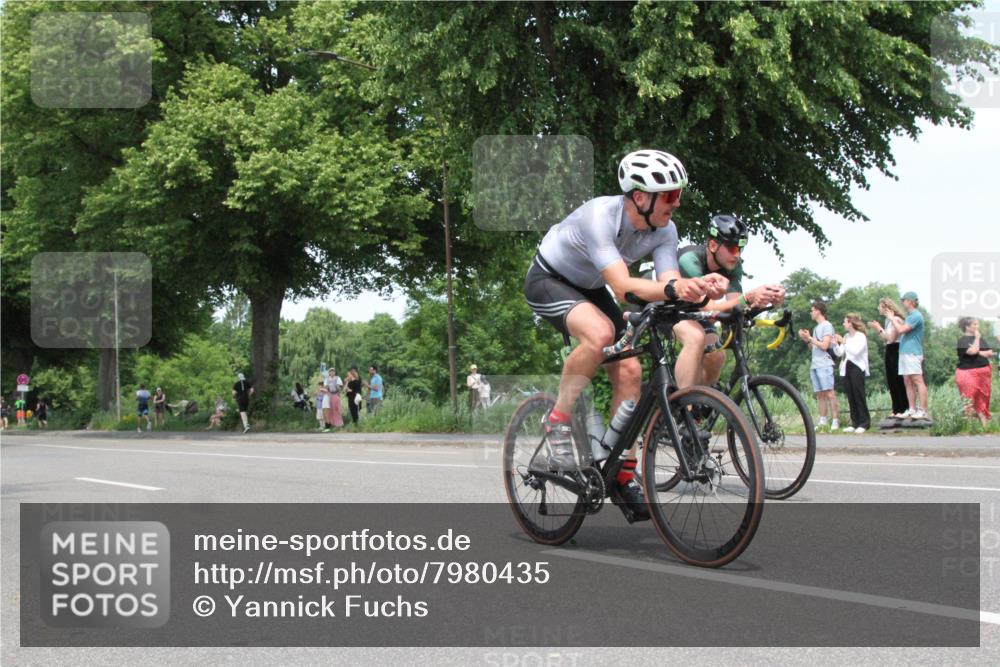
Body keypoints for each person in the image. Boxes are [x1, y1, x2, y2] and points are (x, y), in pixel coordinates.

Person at [523, 149, 727, 520]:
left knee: (631, 370)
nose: (676, 203)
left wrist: (696, 286)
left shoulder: (665, 230)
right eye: (668, 195)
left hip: (589, 286)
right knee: (600, 334)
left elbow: (668, 283)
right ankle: (556, 420)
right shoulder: (599, 216)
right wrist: (674, 290)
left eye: (678, 193)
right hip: (549, 279)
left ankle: (621, 474)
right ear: (639, 196)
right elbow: (622, 287)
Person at [677, 214, 786, 386]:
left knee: (716, 356)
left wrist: (766, 300)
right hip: (668, 308)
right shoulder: (689, 260)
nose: (737, 255)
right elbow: (710, 308)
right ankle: (684, 407)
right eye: (732, 248)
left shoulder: (734, 266)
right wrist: (748, 297)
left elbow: (734, 305)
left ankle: (702, 403)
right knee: (695, 339)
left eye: (741, 249)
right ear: (713, 245)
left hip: (695, 311)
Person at [798, 301, 840, 430]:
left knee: (829, 392)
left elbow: (825, 346)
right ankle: (823, 420)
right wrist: (807, 340)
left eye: (812, 310)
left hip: (825, 363)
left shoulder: (826, 326)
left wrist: (810, 338)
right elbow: (813, 348)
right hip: (815, 363)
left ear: (818, 311)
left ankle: (835, 420)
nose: (811, 313)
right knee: (820, 394)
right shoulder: (816, 328)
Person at [887, 291, 928, 420]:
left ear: (910, 301)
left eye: (904, 300)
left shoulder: (916, 316)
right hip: (904, 352)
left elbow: (901, 330)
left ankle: (923, 410)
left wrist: (892, 318)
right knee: (907, 381)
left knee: (917, 380)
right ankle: (911, 409)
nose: (902, 302)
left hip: (912, 352)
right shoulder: (910, 316)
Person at [868, 298, 909, 418]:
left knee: (898, 379)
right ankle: (896, 409)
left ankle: (904, 407)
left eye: (880, 306)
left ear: (886, 307)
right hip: (890, 349)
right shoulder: (887, 321)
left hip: (896, 349)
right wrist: (879, 329)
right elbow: (886, 338)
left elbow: (891, 338)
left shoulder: (895, 319)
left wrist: (879, 329)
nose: (878, 308)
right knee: (891, 380)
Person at [834, 314, 871, 434]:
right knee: (850, 395)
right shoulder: (846, 336)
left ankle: (864, 423)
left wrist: (844, 342)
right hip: (847, 367)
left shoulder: (861, 337)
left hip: (857, 367)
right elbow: (840, 353)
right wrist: (835, 343)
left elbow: (855, 352)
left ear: (850, 323)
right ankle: (855, 422)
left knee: (859, 394)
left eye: (845, 322)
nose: (843, 324)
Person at [955, 317, 994, 427]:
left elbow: (990, 353)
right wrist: (977, 340)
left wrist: (978, 351)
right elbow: (972, 352)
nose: (977, 327)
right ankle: (969, 427)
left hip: (983, 373)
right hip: (967, 372)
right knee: (969, 399)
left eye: (977, 324)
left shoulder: (982, 340)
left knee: (982, 399)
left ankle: (984, 428)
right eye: (975, 324)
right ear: (967, 327)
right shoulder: (962, 340)